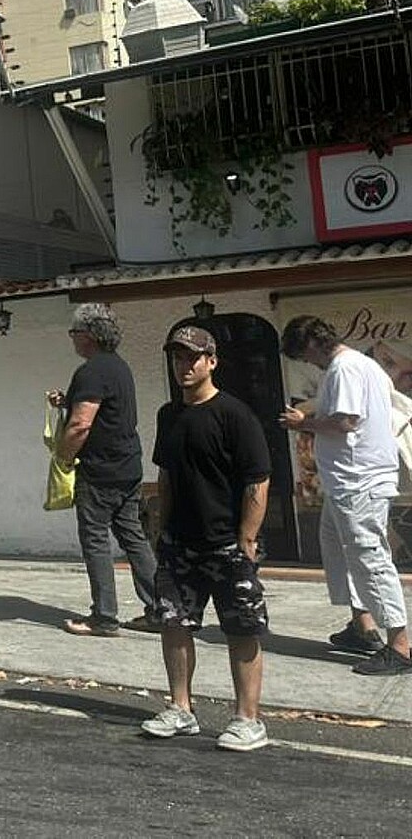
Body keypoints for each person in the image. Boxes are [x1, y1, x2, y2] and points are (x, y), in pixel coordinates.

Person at [140, 326, 273, 751]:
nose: (185, 366)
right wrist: (162, 528)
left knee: (241, 628)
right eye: (178, 358)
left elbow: (259, 479)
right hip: (181, 543)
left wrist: (246, 540)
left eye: (193, 358)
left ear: (212, 362)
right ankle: (181, 708)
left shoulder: (234, 414)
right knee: (174, 624)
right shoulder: (169, 415)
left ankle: (247, 718)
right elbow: (166, 474)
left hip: (228, 544)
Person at [280, 316, 412, 676]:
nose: (309, 363)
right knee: (337, 547)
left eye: (304, 356)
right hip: (349, 479)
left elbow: (345, 422)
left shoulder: (343, 368)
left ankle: (400, 645)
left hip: (359, 479)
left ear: (311, 344)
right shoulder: (361, 365)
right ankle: (362, 625)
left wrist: (301, 424)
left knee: (369, 557)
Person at [49, 303, 158, 638]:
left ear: (90, 335)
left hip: (99, 470)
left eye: (75, 332)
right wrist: (67, 401)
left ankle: (104, 616)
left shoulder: (91, 371)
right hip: (127, 465)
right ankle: (160, 608)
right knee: (133, 537)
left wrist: (63, 458)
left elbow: (81, 425)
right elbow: (101, 409)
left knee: (95, 540)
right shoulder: (118, 368)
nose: (72, 338)